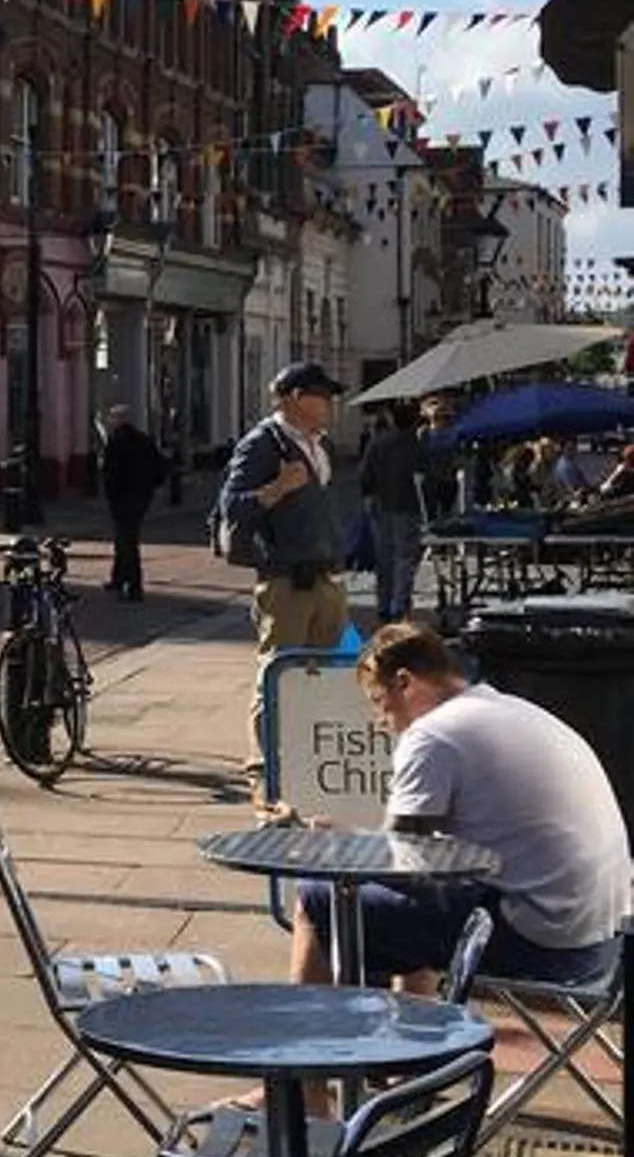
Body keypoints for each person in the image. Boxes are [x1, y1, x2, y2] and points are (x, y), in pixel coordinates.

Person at [284, 621, 628, 996]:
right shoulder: (509, 709)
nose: (381, 722)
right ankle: (411, 1040)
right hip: (604, 940)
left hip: (540, 942)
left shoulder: (433, 734)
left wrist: (342, 843)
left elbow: (398, 861)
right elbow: (418, 863)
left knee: (316, 897)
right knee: (419, 904)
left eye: (379, 702)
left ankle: (308, 1038)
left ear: (404, 682)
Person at [215, 360, 349, 804]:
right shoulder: (263, 444)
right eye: (321, 395)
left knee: (320, 680)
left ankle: (307, 767)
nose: (329, 403)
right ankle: (265, 775)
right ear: (294, 398)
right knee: (278, 676)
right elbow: (232, 506)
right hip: (287, 582)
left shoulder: (316, 444)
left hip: (325, 576)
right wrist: (275, 489)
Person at [357, 401, 427, 625]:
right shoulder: (417, 445)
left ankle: (384, 604)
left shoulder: (378, 443)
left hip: (381, 505)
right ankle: (399, 603)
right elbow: (429, 478)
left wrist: (368, 495)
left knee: (384, 558)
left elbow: (364, 475)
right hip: (409, 507)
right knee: (405, 557)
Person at [98, 404, 166, 601]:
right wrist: (149, 488)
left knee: (126, 541)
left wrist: (111, 494)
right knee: (124, 538)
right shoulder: (144, 440)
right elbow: (159, 469)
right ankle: (118, 579)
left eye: (113, 418)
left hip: (123, 498)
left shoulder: (116, 442)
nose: (110, 422)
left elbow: (110, 473)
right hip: (140, 497)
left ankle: (134, 587)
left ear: (120, 420)